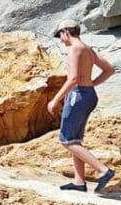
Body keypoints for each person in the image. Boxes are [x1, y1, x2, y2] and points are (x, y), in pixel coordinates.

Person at [47, 19, 116, 193]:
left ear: (66, 32)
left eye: (60, 36)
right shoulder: (87, 49)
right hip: (89, 95)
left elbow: (73, 79)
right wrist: (91, 83)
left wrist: (55, 99)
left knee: (67, 140)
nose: (61, 40)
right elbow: (109, 69)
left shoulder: (74, 49)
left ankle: (103, 170)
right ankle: (79, 182)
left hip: (77, 96)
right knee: (75, 139)